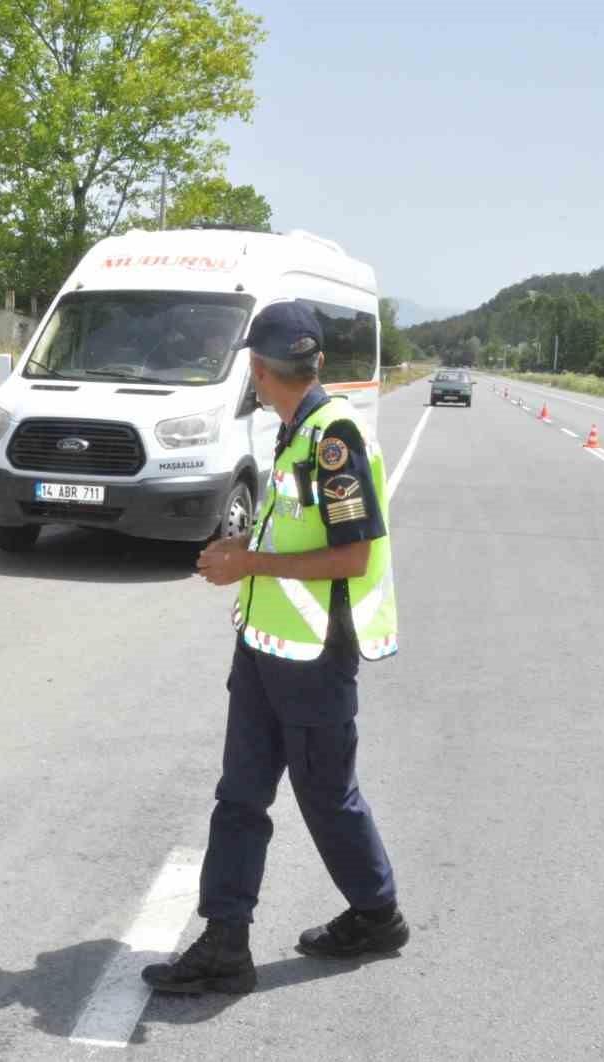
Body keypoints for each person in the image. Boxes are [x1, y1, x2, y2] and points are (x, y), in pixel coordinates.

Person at [141, 299, 406, 996]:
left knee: (326, 796)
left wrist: (248, 567)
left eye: (250, 370)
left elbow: (351, 557)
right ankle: (226, 943)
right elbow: (297, 529)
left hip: (316, 657)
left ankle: (377, 913)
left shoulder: (332, 438)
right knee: (240, 796)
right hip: (265, 647)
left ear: (261, 369)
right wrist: (244, 547)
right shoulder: (294, 430)